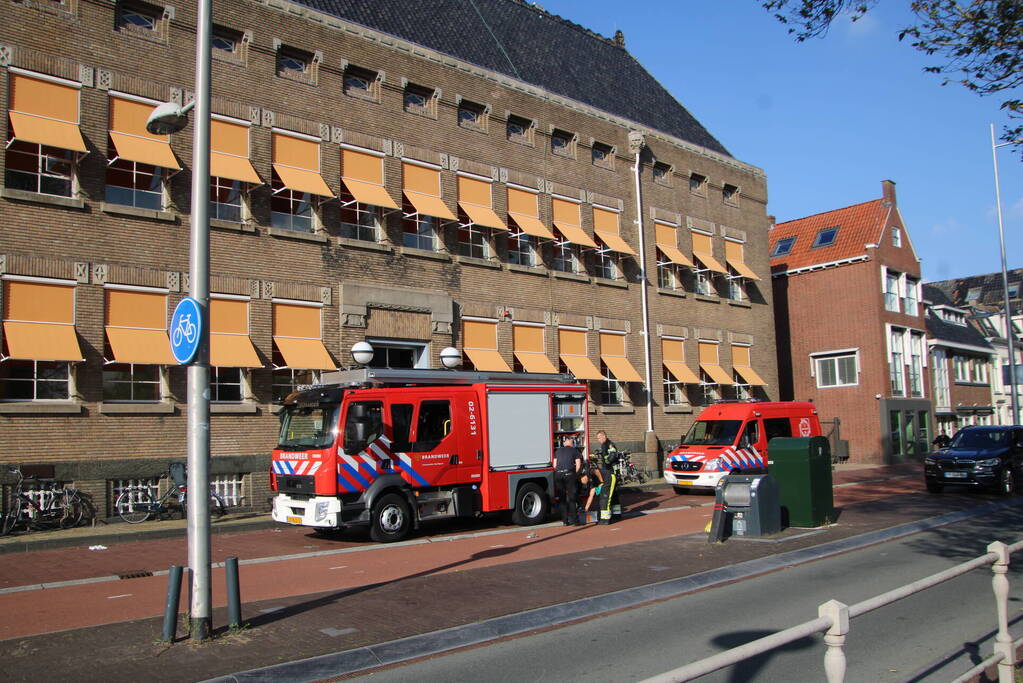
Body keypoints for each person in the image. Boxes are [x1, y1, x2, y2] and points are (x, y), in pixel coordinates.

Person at [553, 435, 584, 526]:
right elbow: (578, 465)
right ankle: (575, 521)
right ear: (570, 442)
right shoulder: (575, 451)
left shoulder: (557, 451)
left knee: (562, 499)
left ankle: (565, 521)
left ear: (564, 443)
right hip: (569, 475)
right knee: (572, 498)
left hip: (558, 475)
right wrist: (576, 474)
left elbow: (554, 465)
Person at [581, 457, 605, 523]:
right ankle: (587, 509)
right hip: (598, 483)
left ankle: (603, 515)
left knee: (602, 496)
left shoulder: (589, 471)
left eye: (584, 481)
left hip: (605, 479)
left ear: (585, 477)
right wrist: (586, 509)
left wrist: (602, 482)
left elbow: (596, 471)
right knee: (592, 493)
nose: (584, 483)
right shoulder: (589, 480)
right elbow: (590, 496)